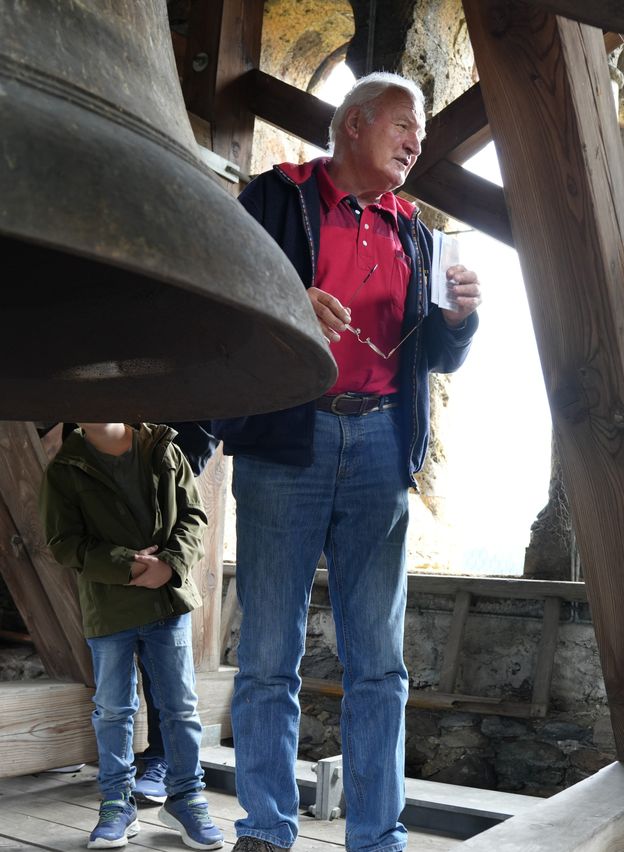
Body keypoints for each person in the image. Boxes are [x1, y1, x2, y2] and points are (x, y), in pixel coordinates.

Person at [211, 71, 481, 852]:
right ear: (356, 123)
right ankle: (266, 829)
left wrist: (460, 322)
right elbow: (229, 287)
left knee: (379, 665)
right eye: (406, 124)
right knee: (266, 656)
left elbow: (434, 357)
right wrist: (290, 294)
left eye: (422, 133)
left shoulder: (414, 230)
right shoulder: (276, 196)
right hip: (288, 438)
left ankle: (377, 836)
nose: (417, 141)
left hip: (378, 446)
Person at [39, 422, 224, 850]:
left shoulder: (163, 448)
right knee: (112, 709)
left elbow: (195, 515)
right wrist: (127, 564)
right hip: (108, 608)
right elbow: (63, 542)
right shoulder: (65, 468)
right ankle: (116, 803)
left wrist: (171, 563)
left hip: (168, 601)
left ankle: (186, 798)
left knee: (180, 706)